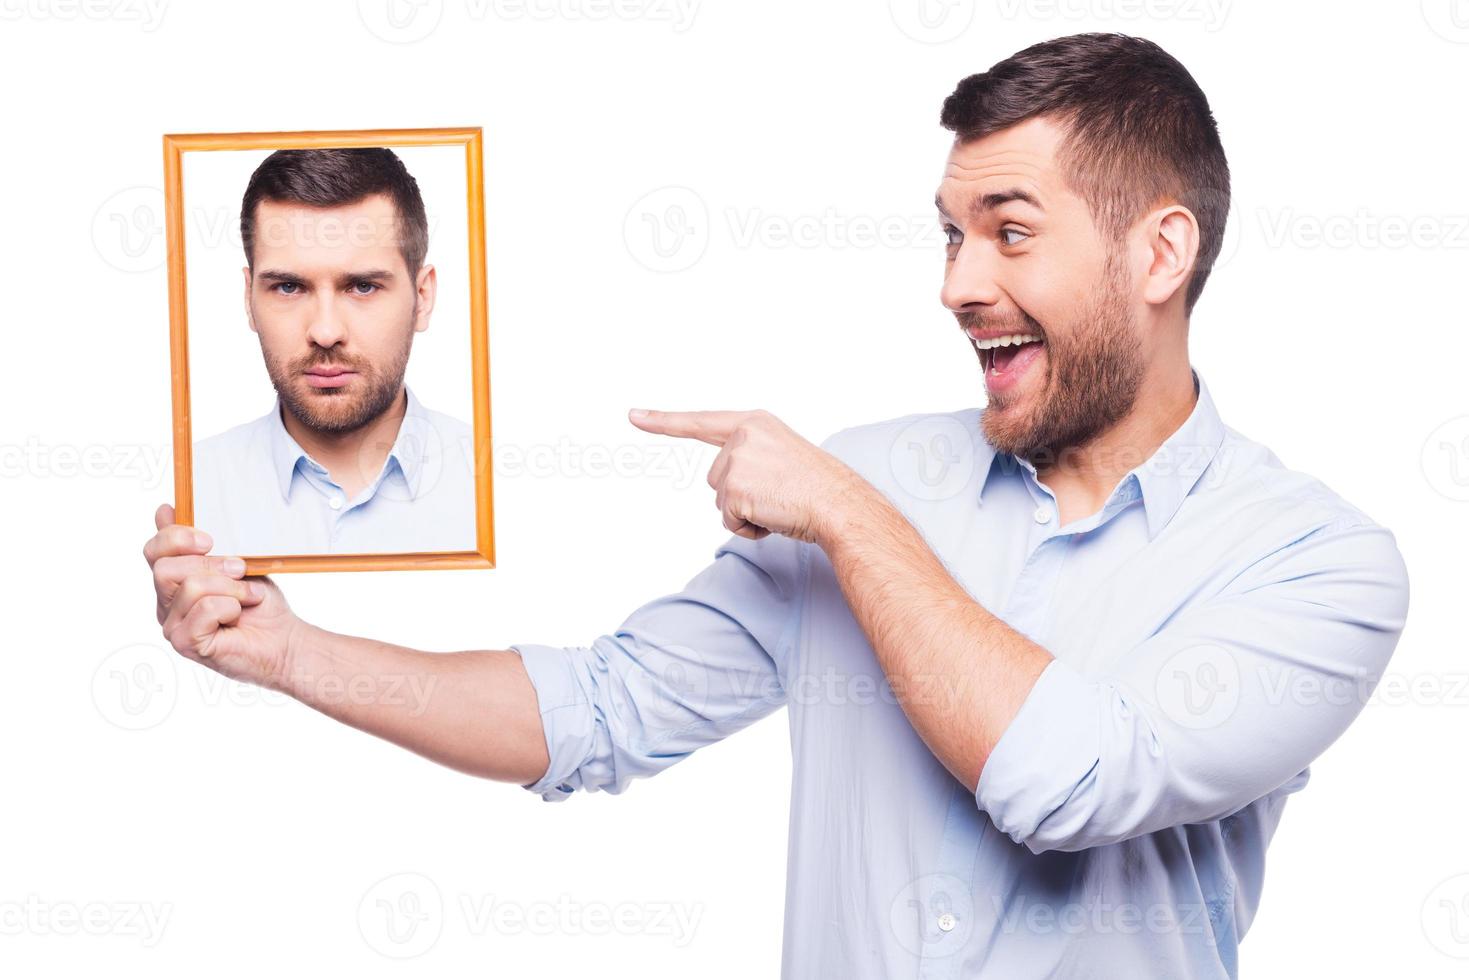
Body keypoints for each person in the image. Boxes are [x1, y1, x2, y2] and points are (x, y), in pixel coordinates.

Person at [144, 34, 1409, 978]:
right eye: (948, 233)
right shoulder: (864, 474)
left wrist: (850, 521)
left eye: (1007, 233)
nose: (956, 282)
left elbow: (1067, 782)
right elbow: (600, 709)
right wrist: (286, 650)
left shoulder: (1318, 565)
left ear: (1159, 255)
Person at [191, 147, 475, 556]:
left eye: (363, 286)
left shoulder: (499, 483)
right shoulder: (189, 490)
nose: (325, 332)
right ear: (248, 298)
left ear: (423, 296)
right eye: (288, 287)